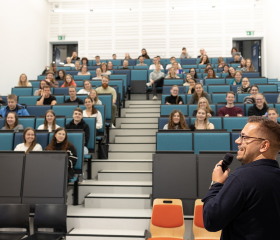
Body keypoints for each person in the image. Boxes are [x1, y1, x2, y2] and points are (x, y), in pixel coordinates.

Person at [202, 116, 280, 240]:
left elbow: (211, 221)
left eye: (245, 137)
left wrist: (215, 184)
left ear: (264, 145)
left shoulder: (241, 178)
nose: (237, 141)